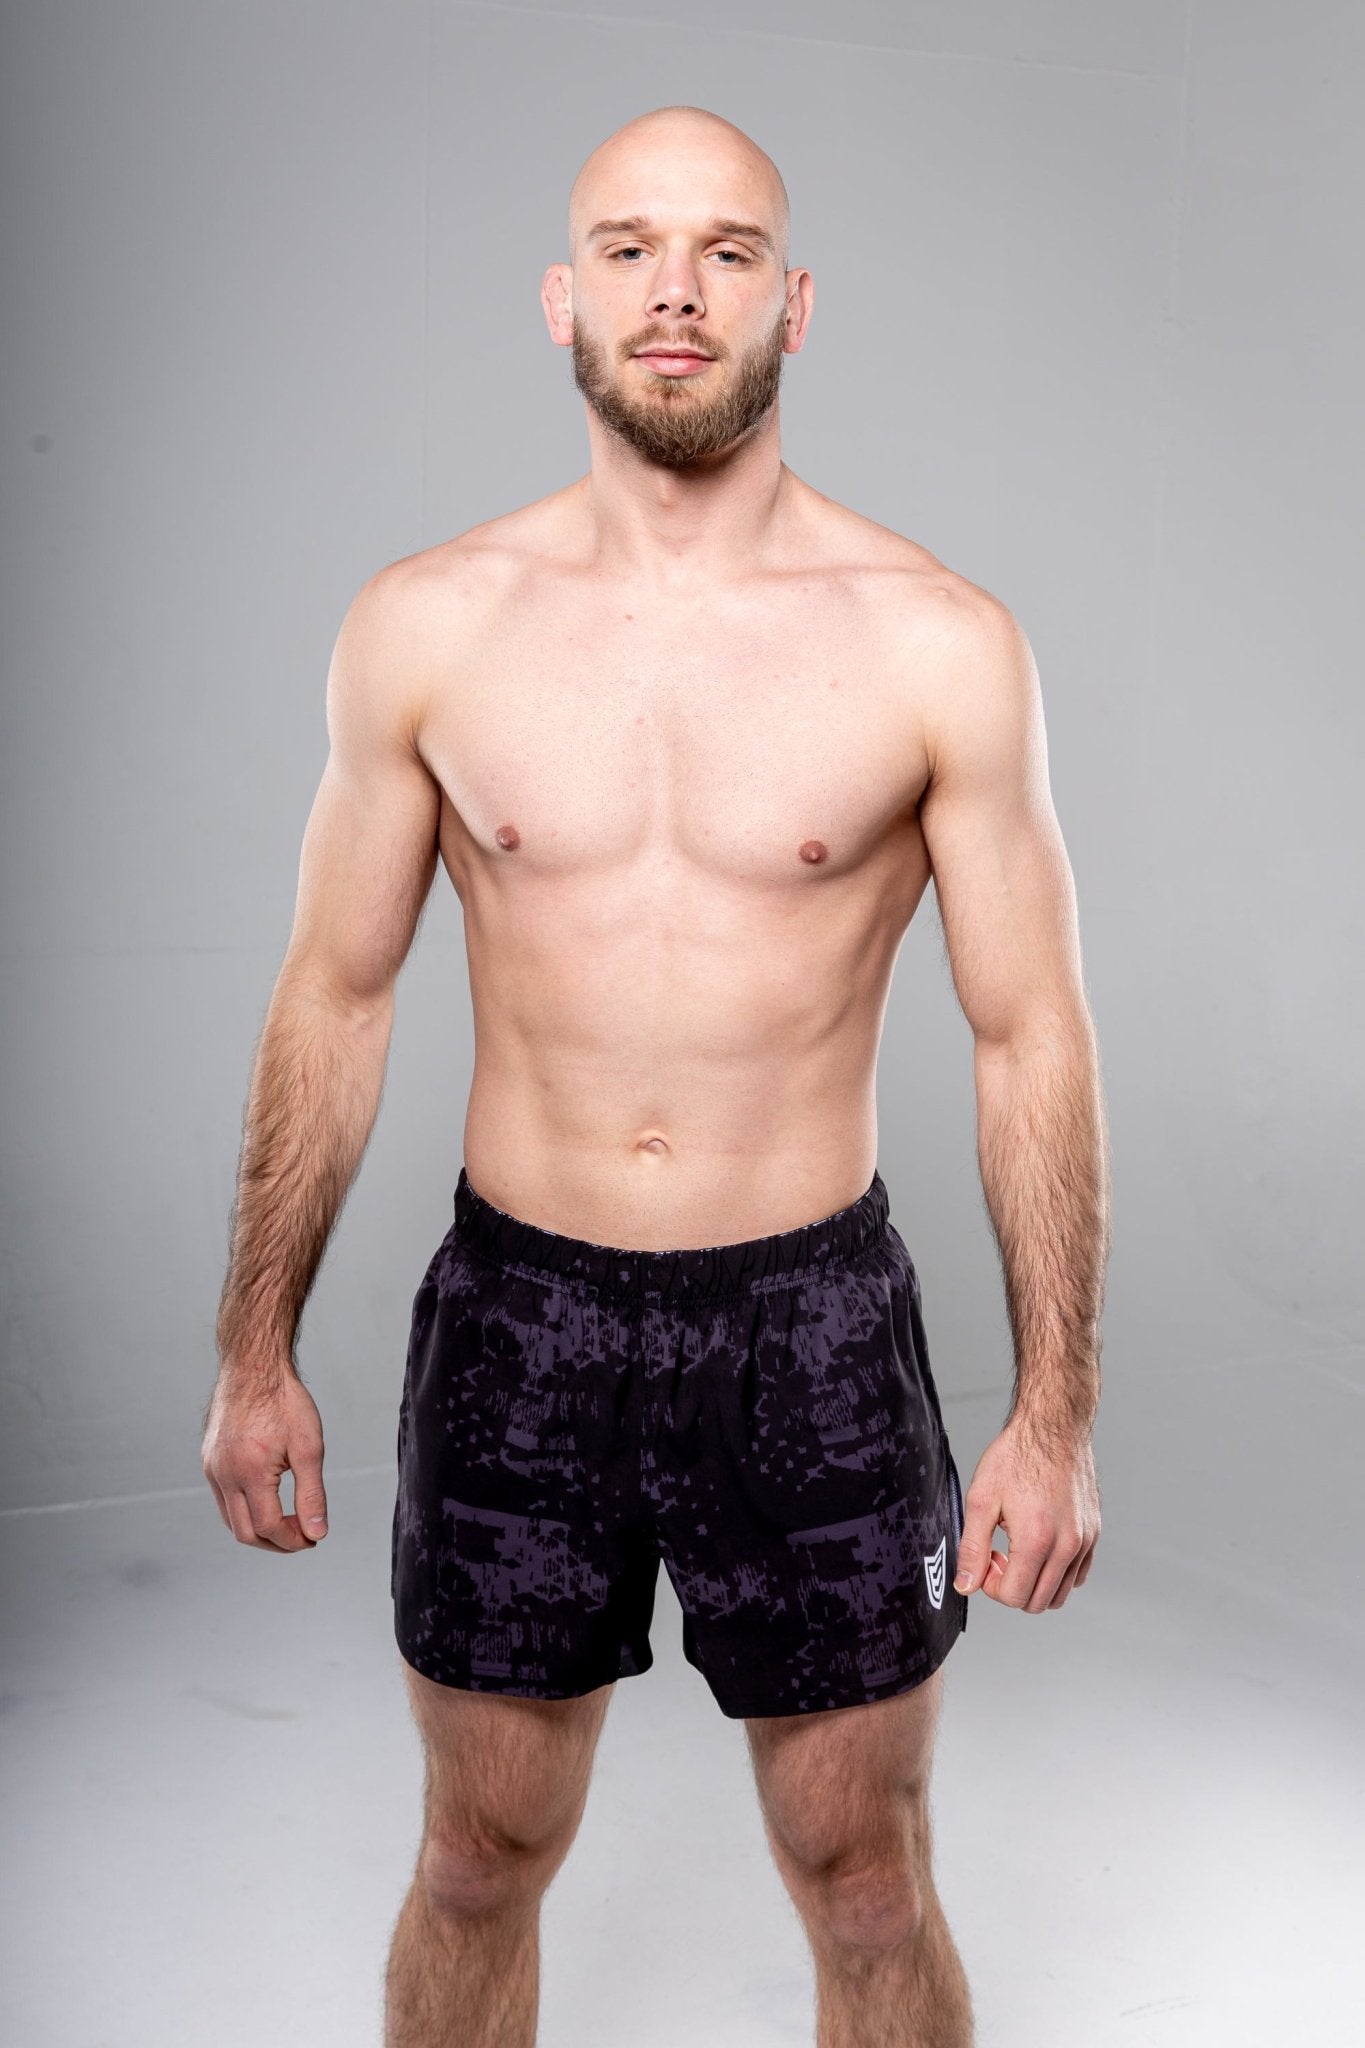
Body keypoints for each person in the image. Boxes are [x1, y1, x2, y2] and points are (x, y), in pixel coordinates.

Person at [201, 101, 1109, 2048]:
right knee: (474, 1854)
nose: (674, 293)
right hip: (520, 1314)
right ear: (563, 298)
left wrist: (1052, 1413)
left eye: (722, 252)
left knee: (865, 1878)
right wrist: (250, 1346)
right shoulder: (428, 626)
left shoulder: (937, 645)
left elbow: (1028, 1033)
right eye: (627, 249)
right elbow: (334, 997)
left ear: (794, 301)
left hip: (810, 1324)